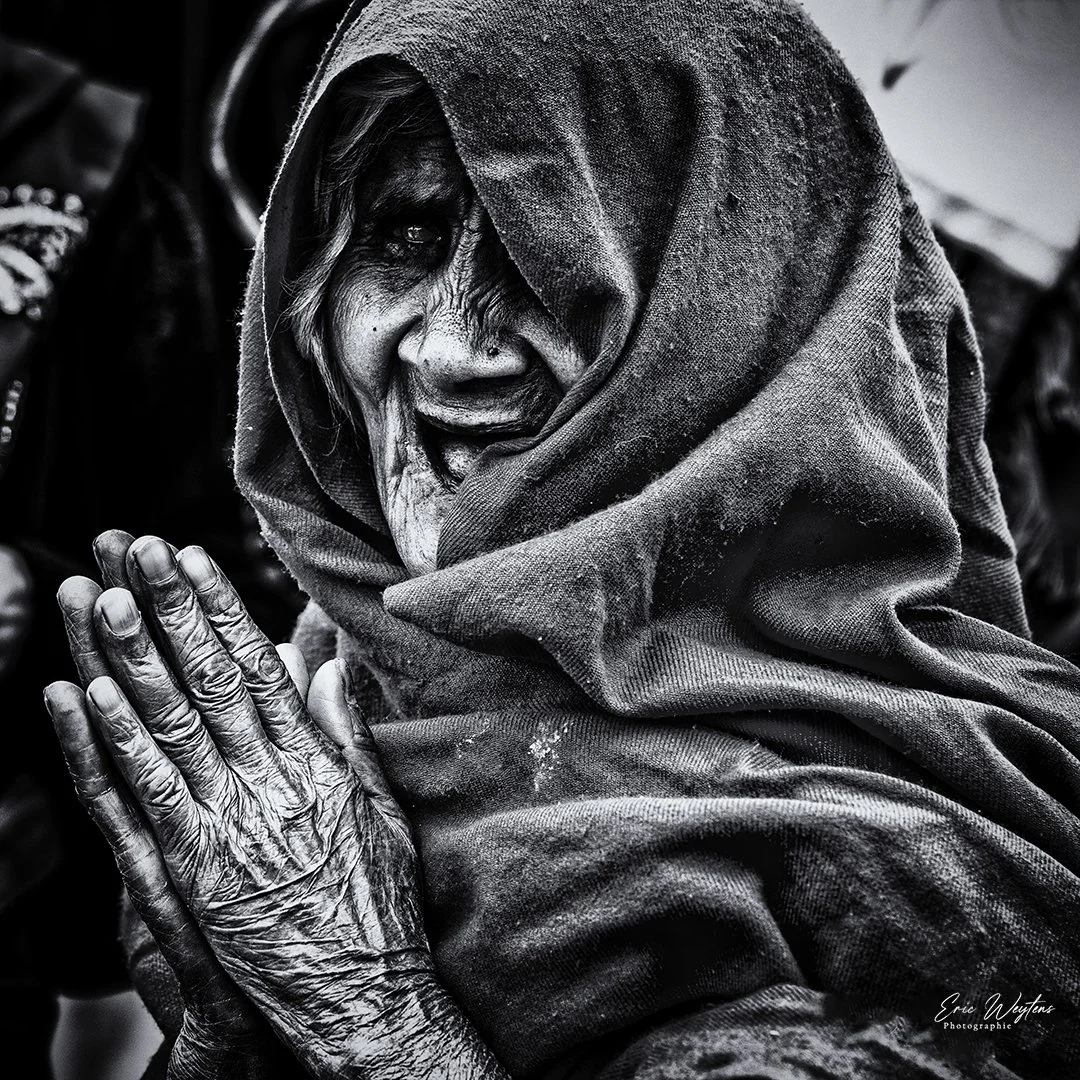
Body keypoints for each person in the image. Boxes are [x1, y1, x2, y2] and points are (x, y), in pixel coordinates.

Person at [41, 0, 1080, 1076]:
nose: (453, 352)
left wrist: (370, 1016)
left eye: (553, 258)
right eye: (407, 235)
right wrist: (232, 1039)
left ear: (740, 318)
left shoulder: (932, 849)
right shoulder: (324, 702)